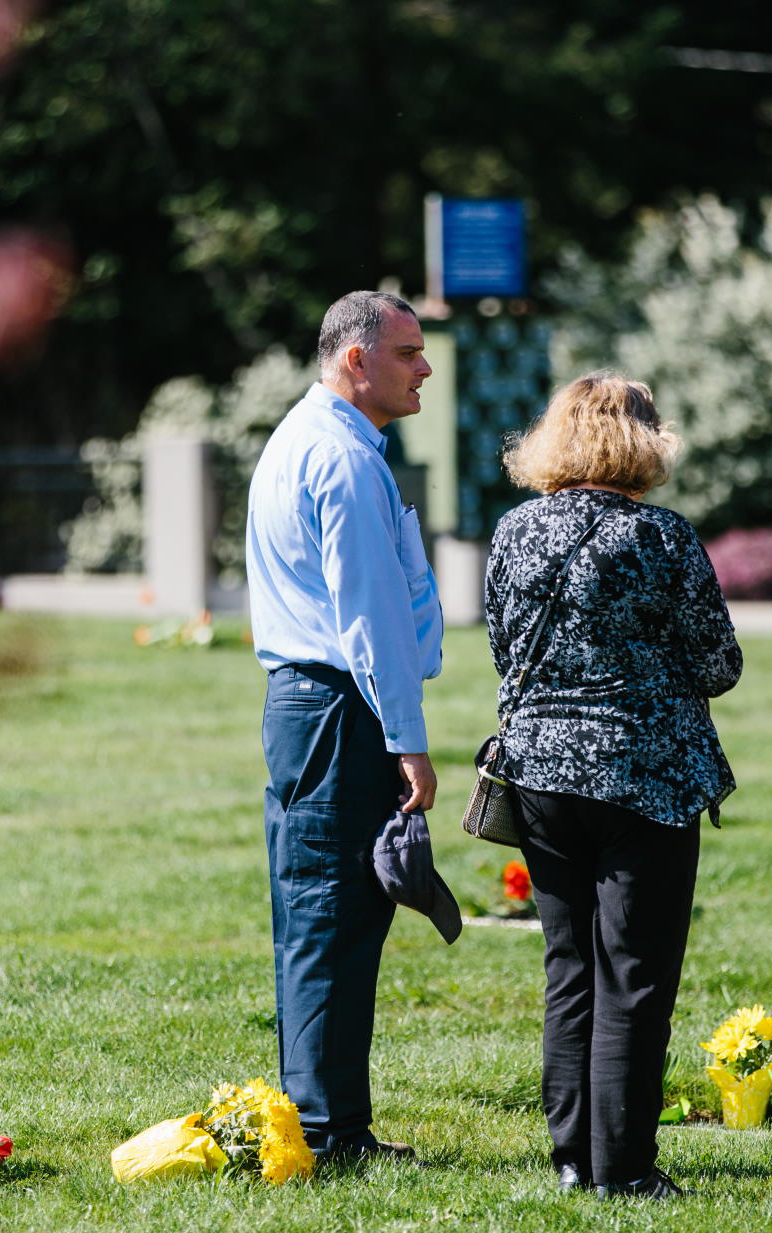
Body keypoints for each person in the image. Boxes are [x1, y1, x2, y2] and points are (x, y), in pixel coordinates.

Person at [483, 372, 742, 1199]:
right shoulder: (662, 538)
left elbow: (502, 646)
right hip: (644, 776)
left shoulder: (513, 532)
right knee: (635, 973)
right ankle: (624, 1170)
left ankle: (570, 1159)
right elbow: (718, 665)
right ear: (643, 440)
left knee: (569, 966)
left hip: (541, 775)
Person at [245, 290, 443, 1161]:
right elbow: (371, 620)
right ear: (353, 360)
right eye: (407, 352)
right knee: (333, 916)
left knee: (320, 914)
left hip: (311, 705)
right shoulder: (343, 459)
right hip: (339, 708)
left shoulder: (310, 440)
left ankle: (323, 1123)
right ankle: (328, 1133)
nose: (424, 367)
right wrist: (409, 740)